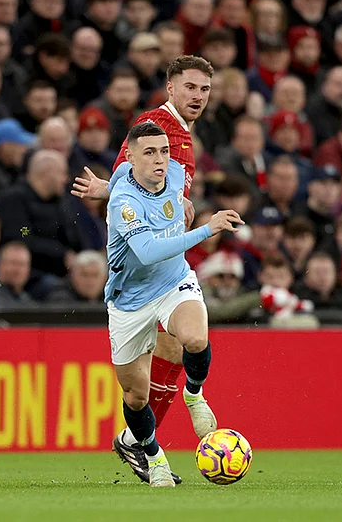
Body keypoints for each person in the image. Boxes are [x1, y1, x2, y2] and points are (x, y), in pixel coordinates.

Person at [72, 55, 214, 484]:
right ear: (171, 88)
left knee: (178, 347)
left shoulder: (182, 134)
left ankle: (143, 441)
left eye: (205, 90)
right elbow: (126, 169)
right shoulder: (157, 123)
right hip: (135, 267)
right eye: (190, 87)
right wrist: (110, 186)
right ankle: (138, 438)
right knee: (138, 387)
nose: (198, 97)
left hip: (167, 271)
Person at [96, 121, 242, 486]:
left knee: (195, 339)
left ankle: (195, 395)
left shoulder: (175, 172)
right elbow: (146, 252)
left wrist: (104, 186)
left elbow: (165, 190)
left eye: (163, 150)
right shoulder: (124, 202)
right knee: (135, 395)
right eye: (149, 153)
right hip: (129, 300)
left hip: (173, 280)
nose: (161, 159)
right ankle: (152, 454)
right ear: (129, 158)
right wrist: (208, 228)